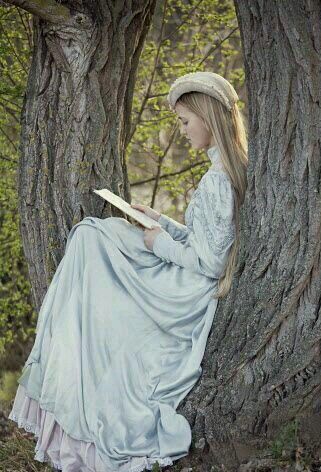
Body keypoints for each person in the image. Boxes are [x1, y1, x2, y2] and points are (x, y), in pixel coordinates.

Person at [8, 71, 248, 472]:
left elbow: (212, 262)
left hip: (190, 290)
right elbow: (209, 239)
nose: (183, 131)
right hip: (189, 275)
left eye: (185, 122)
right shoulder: (226, 171)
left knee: (91, 237)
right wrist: (163, 223)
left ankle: (71, 364)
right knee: (97, 235)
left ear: (208, 118)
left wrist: (159, 244)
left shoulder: (218, 180)